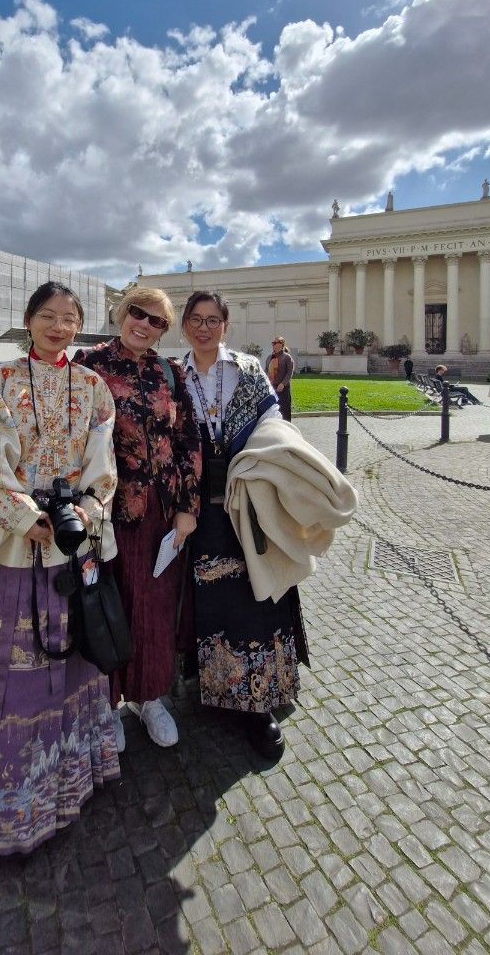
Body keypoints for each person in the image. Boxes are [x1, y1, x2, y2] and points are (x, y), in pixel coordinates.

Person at [0, 282, 120, 856]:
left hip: (71, 535)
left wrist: (86, 508)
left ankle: (66, 781)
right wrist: (21, 515)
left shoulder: (92, 386)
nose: (59, 327)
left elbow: (102, 463)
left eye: (69, 318)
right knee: (6, 669)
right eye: (48, 316)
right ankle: (2, 800)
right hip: (15, 538)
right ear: (29, 320)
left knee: (74, 658)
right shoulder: (1, 380)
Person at [180, 292, 310, 761]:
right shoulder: (176, 375)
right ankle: (217, 688)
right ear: (184, 325)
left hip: (247, 503)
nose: (204, 327)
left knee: (260, 595)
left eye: (212, 319)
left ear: (226, 325)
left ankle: (259, 702)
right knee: (212, 601)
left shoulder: (250, 370)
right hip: (199, 509)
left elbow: (273, 421)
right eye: (195, 319)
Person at [74, 287, 202, 750]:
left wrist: (188, 508)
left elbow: (188, 439)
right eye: (138, 314)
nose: (144, 325)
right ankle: (105, 705)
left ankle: (149, 698)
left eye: (156, 322)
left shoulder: (169, 373)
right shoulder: (88, 364)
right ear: (121, 313)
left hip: (161, 513)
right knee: (110, 606)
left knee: (154, 608)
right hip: (106, 511)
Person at [267, 336, 294, 421]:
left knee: (285, 412)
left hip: (283, 389)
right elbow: (265, 371)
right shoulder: (269, 357)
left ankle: (287, 431)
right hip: (272, 389)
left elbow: (290, 372)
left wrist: (283, 384)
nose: (273, 345)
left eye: (275, 343)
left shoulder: (287, 357)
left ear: (281, 344)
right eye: (273, 343)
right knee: (273, 412)